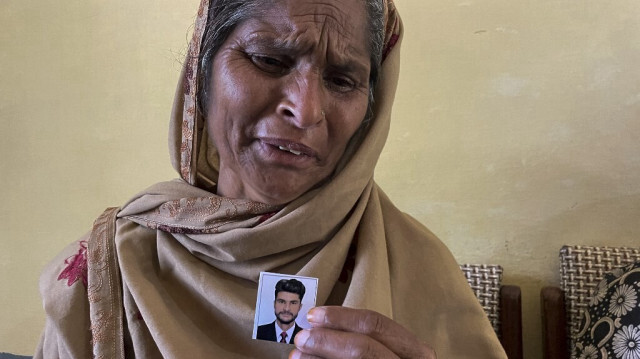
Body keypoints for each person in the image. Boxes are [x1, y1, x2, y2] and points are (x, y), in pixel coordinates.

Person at [36, 0, 508, 358]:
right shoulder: (110, 270)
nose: (305, 110)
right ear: (202, 74)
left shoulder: (421, 269)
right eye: (269, 59)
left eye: (343, 80)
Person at [256, 279, 306, 344]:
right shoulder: (258, 332)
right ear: (274, 304)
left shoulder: (306, 337)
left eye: (293, 303)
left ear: (300, 307)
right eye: (282, 302)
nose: (287, 309)